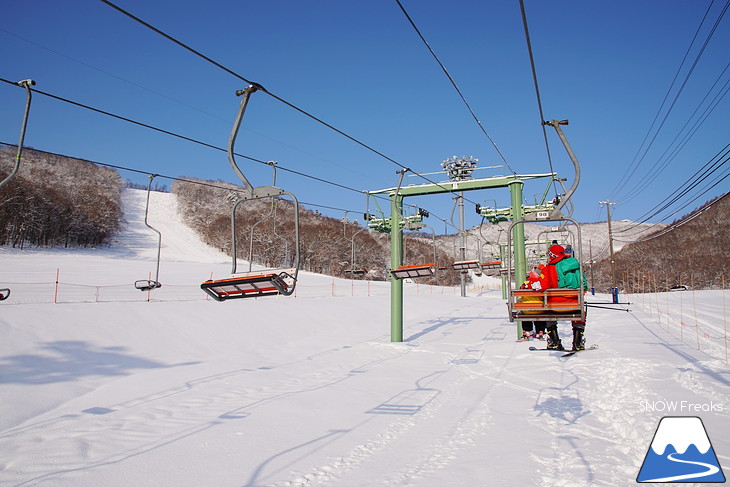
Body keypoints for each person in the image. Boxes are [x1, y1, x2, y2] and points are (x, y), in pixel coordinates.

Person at [531, 244, 587, 350]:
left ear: (552, 255)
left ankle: (554, 341)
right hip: (575, 305)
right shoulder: (575, 267)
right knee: (581, 311)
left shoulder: (549, 268)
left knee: (546, 311)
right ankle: (578, 341)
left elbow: (543, 286)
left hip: (554, 307)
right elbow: (584, 284)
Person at [517, 266, 547, 341]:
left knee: (525, 312)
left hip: (527, 310)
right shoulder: (541, 283)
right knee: (541, 313)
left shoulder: (526, 282)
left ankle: (527, 330)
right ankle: (540, 331)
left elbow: (520, 295)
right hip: (540, 309)